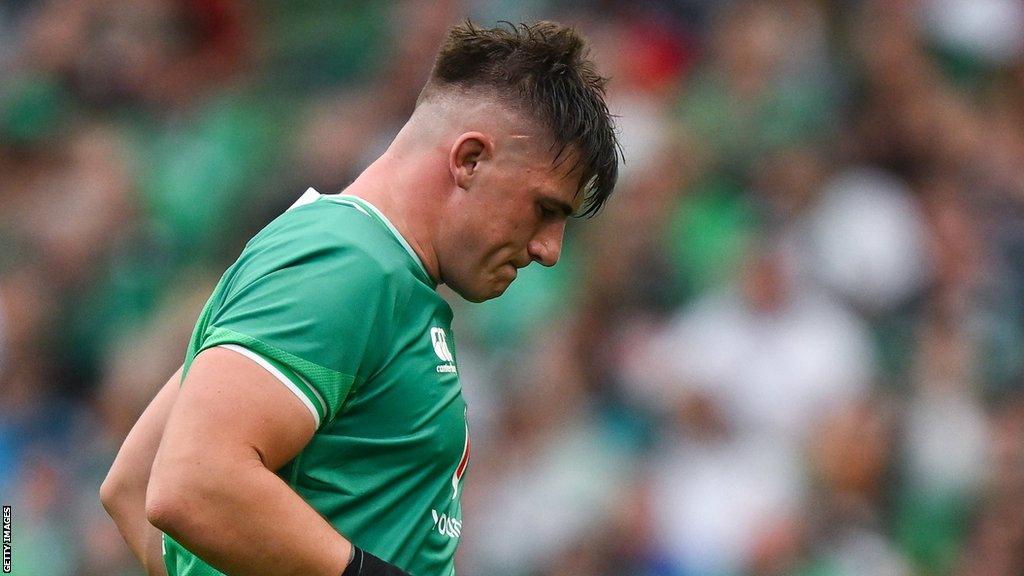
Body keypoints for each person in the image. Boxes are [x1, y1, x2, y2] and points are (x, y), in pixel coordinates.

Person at [100, 20, 620, 576]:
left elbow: (132, 486)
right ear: (469, 159)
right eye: (546, 209)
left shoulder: (360, 262)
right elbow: (191, 482)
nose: (550, 250)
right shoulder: (346, 264)